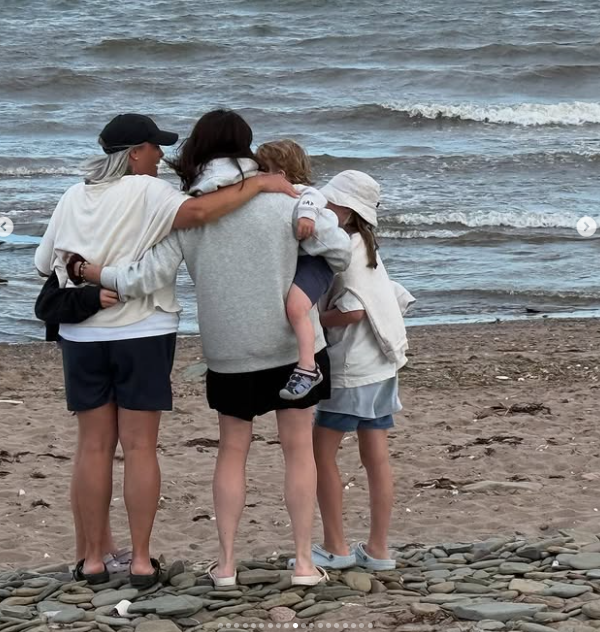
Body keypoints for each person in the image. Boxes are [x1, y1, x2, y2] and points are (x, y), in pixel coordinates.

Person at [77, 109, 352, 586]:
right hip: (293, 348)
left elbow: (146, 277)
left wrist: (91, 273)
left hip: (229, 353)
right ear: (247, 148)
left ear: (199, 152)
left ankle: (225, 565)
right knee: (298, 451)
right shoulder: (285, 197)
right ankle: (305, 563)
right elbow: (340, 251)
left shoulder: (187, 212)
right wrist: (303, 277)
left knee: (231, 452)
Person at [35, 112, 294, 585]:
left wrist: (85, 271)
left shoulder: (73, 194)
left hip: (82, 335)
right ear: (134, 153)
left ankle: (93, 559)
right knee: (139, 447)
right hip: (141, 331)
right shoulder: (149, 191)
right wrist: (259, 185)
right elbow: (199, 212)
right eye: (154, 147)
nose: (161, 155)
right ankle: (138, 559)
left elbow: (43, 261)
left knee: (92, 447)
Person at [311, 171, 415, 571]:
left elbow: (352, 310)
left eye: (330, 204)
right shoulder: (368, 244)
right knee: (377, 457)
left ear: (346, 211)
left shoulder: (345, 249)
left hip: (354, 368)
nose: (323, 209)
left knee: (322, 454)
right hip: (383, 363)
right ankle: (379, 548)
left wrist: (318, 319)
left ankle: (336, 545)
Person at [256, 139, 337, 400]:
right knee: (291, 308)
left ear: (280, 174)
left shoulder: (298, 192)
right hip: (300, 261)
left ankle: (307, 368)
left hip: (316, 262)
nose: (257, 175)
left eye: (262, 169)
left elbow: (315, 196)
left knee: (296, 307)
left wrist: (307, 216)